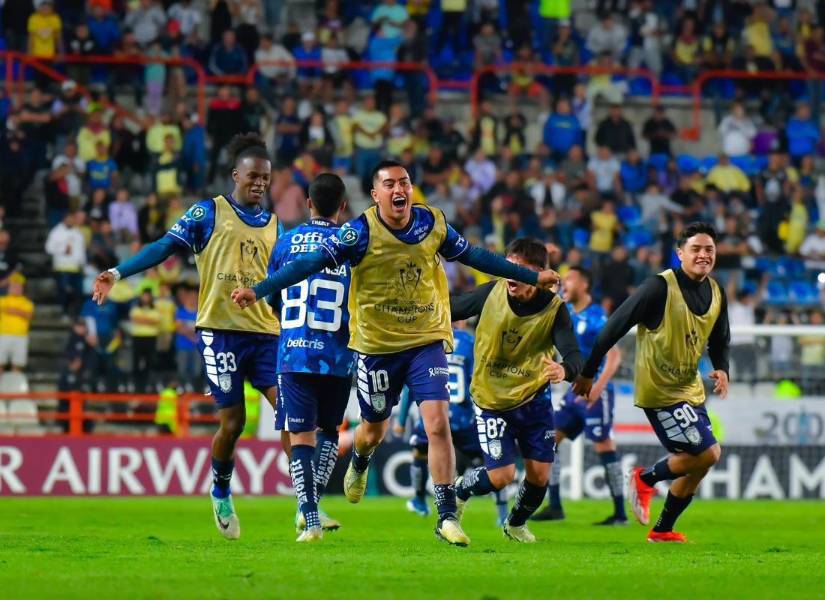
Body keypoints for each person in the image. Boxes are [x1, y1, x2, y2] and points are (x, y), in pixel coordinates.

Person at [231, 161, 561, 547]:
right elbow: (309, 263)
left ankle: (446, 515)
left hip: (426, 339)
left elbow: (475, 256)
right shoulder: (358, 233)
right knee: (372, 430)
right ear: (376, 195)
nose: (398, 188)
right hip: (377, 348)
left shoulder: (432, 223)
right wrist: (260, 288)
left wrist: (531, 276)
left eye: (404, 181)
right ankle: (360, 458)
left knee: (436, 424)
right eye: (389, 184)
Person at [91, 133, 282, 541]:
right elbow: (163, 246)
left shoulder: (275, 224)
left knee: (290, 410)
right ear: (236, 175)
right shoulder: (208, 212)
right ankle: (220, 490)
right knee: (233, 423)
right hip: (220, 330)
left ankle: (307, 504)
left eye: (266, 177)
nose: (260, 183)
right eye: (253, 176)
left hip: (266, 331)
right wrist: (118, 272)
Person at [572, 222, 730, 543]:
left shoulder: (716, 291)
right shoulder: (658, 287)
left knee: (698, 464)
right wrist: (587, 371)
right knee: (710, 453)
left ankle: (662, 530)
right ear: (680, 253)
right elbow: (613, 326)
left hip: (690, 389)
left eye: (709, 249)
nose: (703, 255)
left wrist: (722, 368)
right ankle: (645, 478)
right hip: (659, 390)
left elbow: (720, 336)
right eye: (696, 249)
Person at [448, 238, 582, 543]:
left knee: (540, 476)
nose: (511, 273)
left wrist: (565, 370)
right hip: (491, 399)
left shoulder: (554, 309)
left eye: (520, 268)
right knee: (502, 476)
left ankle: (515, 523)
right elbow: (452, 305)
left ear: (539, 275)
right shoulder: (490, 293)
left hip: (534, 400)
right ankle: (461, 489)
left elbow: (573, 353)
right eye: (509, 264)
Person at [268, 173, 352, 543]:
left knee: (300, 436)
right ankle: (312, 507)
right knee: (330, 431)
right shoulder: (352, 244)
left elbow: (274, 301)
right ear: (343, 206)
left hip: (295, 353)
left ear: (309, 203)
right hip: (338, 354)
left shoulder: (285, 243)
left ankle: (310, 518)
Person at [532, 266, 626, 525]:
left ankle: (620, 513)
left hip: (597, 393)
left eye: (571, 278)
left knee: (603, 445)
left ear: (584, 285)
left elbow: (615, 356)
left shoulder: (597, 317)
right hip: (574, 393)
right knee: (549, 440)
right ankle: (555, 506)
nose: (565, 283)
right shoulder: (566, 311)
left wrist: (597, 388)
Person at [394, 322, 508, 526]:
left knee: (420, 451)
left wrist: (401, 420)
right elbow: (478, 379)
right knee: (493, 460)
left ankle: (419, 500)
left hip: (435, 413)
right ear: (462, 321)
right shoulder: (470, 342)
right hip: (464, 417)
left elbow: (409, 387)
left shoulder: (427, 340)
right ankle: (502, 514)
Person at [0, 273, 34, 373]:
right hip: (3, 335)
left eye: (18, 286)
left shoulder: (27, 302)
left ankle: (15, 387)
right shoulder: (2, 300)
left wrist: (15, 311)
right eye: (13, 285)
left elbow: (30, 316)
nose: (15, 288)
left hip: (20, 336)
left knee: (18, 363)